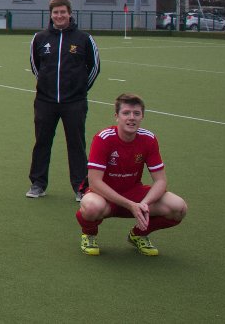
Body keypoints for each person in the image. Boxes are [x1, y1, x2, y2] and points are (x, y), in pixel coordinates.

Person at [75, 94, 186, 256]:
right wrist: (131, 205)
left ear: (142, 117)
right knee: (91, 206)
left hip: (134, 193)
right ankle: (89, 234)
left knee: (178, 208)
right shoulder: (103, 138)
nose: (131, 118)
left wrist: (144, 204)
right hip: (104, 195)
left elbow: (161, 181)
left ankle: (138, 235)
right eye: (126, 113)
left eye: (136, 113)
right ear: (117, 117)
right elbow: (94, 183)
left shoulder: (148, 139)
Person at [27, 0, 100, 201]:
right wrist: (46, 87)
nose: (59, 16)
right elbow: (36, 67)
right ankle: (38, 184)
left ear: (70, 13)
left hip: (74, 102)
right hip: (45, 102)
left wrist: (80, 90)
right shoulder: (40, 38)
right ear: (51, 15)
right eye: (55, 12)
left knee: (76, 143)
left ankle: (80, 187)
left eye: (63, 12)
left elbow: (94, 67)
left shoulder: (83, 39)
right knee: (42, 142)